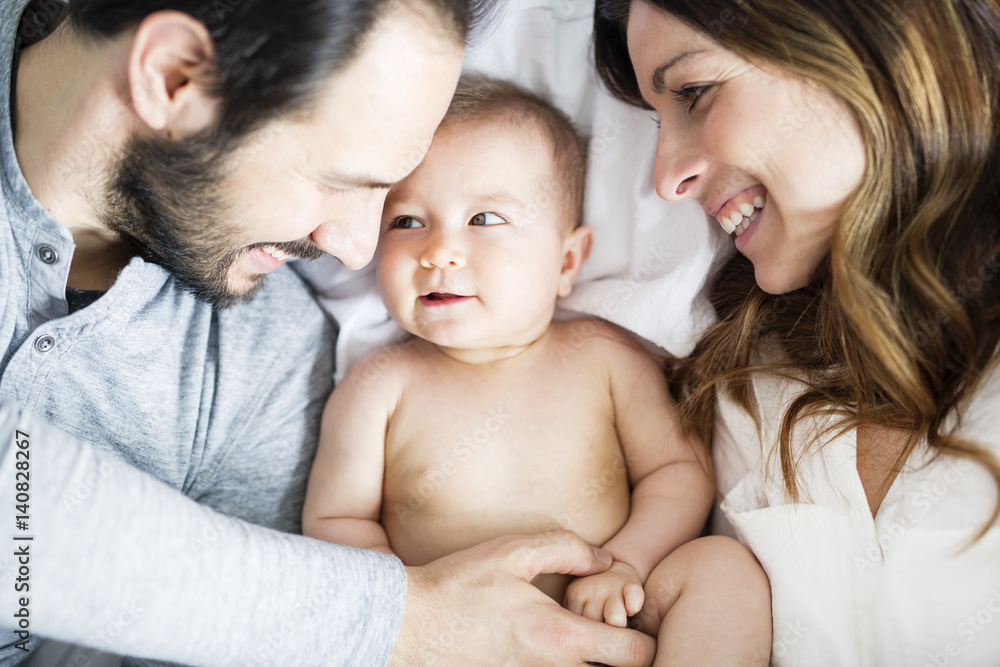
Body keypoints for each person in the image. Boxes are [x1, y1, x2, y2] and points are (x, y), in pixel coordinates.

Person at [0, 0, 661, 665]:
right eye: (338, 180)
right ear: (172, 76)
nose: (355, 250)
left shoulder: (267, 354)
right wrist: (402, 621)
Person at [303, 75, 772, 666]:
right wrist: (416, 610)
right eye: (407, 222)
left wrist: (626, 562)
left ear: (567, 261)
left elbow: (678, 471)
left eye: (484, 219)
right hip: (458, 643)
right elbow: (335, 521)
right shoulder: (378, 386)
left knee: (722, 570)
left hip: (607, 620)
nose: (438, 251)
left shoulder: (604, 357)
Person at [594, 0, 1000, 664]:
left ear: (871, 37)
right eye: (654, 119)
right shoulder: (733, 391)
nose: (666, 179)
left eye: (694, 93)